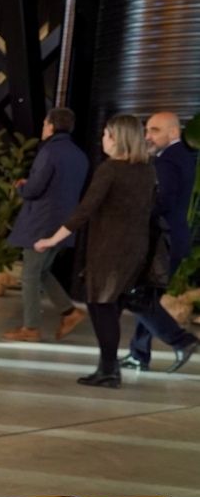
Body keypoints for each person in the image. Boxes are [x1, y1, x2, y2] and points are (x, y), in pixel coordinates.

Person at [34, 115, 157, 388]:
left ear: (117, 138)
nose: (103, 139)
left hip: (109, 248)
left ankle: (109, 370)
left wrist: (52, 239)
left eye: (106, 134)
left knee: (101, 306)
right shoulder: (147, 170)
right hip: (135, 247)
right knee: (107, 307)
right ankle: (107, 367)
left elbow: (85, 210)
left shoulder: (110, 169)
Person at [123, 111, 199, 372]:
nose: (147, 136)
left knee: (139, 297)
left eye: (154, 130)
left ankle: (182, 341)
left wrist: (134, 213)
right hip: (172, 238)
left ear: (174, 132)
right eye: (147, 130)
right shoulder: (180, 157)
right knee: (148, 297)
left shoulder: (167, 161)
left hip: (163, 241)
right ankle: (139, 354)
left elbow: (162, 201)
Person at [4, 107, 88, 341]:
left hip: (41, 223)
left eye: (44, 124)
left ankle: (31, 328)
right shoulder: (79, 155)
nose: (43, 128)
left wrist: (22, 187)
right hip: (63, 224)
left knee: (30, 275)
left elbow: (36, 188)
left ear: (51, 126)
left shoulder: (49, 151)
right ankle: (70, 312)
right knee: (41, 272)